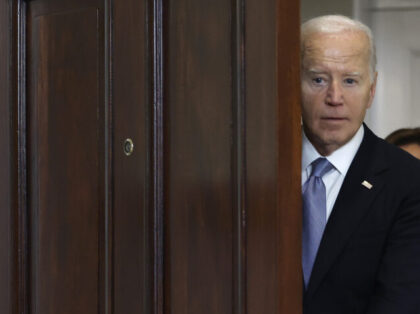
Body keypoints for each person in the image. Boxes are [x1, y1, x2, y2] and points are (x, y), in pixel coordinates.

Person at [300, 15, 420, 314]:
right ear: (292, 81)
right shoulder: (253, 173)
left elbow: (400, 301)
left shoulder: (409, 181)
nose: (335, 97)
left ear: (372, 88)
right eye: (318, 79)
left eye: (350, 80)